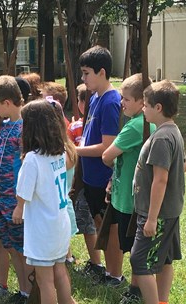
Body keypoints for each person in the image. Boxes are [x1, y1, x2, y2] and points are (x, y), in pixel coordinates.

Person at [14, 100, 73, 304]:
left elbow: (23, 193)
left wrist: (18, 209)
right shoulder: (59, 152)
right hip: (59, 224)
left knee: (45, 279)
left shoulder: (32, 159)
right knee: (60, 272)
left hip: (43, 228)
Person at [130, 80, 186, 304]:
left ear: (159, 107)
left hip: (158, 213)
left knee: (139, 260)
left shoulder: (162, 138)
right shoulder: (172, 130)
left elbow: (160, 180)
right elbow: (183, 165)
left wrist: (151, 218)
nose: (143, 108)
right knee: (164, 259)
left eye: (147, 105)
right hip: (169, 210)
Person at [102, 74, 156, 298]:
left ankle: (136, 288)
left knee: (133, 243)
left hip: (128, 196)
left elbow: (107, 156)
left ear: (141, 102)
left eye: (126, 99)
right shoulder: (146, 123)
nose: (121, 103)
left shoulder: (135, 126)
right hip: (127, 191)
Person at [76, 46, 123, 285]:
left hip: (104, 176)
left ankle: (115, 275)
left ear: (101, 72)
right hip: (91, 176)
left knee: (110, 230)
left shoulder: (111, 101)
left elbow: (107, 147)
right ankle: (106, 270)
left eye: (86, 73)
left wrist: (74, 151)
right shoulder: (95, 97)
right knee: (98, 224)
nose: (83, 79)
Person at [0, 75, 30, 302]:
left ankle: (30, 292)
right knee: (12, 249)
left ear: (8, 103)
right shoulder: (5, 127)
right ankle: (22, 290)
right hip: (1, 198)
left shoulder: (24, 129)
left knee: (22, 250)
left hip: (15, 200)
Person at [67, 84, 97, 267]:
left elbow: (69, 150)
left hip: (80, 179)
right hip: (92, 177)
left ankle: (96, 263)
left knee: (88, 224)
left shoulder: (76, 126)